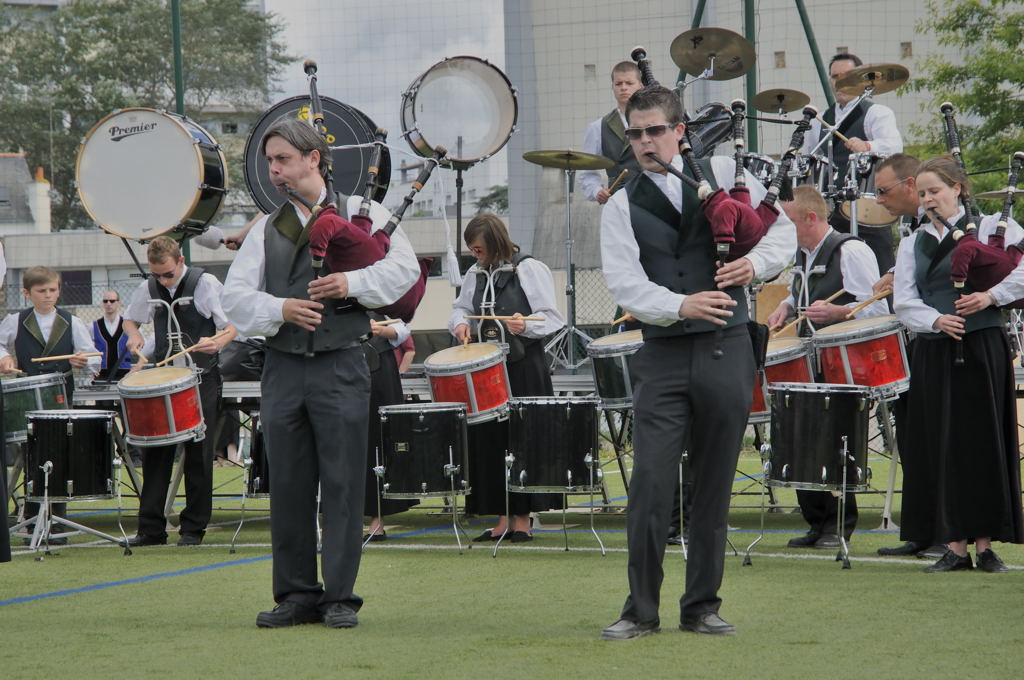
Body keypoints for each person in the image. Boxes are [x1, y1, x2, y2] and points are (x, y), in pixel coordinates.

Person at [599, 85, 795, 639]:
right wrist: (678, 304)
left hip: (727, 349)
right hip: (661, 355)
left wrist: (753, 266)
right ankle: (640, 610)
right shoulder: (619, 202)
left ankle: (701, 606)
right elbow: (624, 282)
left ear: (679, 131)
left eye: (655, 130)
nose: (645, 141)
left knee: (713, 485)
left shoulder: (730, 172)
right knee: (650, 486)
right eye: (635, 133)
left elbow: (781, 232)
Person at [221, 117, 419, 629]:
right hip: (282, 367)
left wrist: (349, 281)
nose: (274, 170)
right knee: (286, 483)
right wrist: (281, 310)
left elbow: (405, 273)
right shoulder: (267, 227)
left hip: (343, 365)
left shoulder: (365, 212)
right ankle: (295, 595)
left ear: (314, 158)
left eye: (283, 158)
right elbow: (235, 298)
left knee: (343, 483)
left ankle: (339, 598)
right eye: (270, 161)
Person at [893, 154, 1024, 572]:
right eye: (924, 193)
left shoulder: (992, 229)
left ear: (958, 190)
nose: (929, 199)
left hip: (983, 343)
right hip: (936, 347)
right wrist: (935, 319)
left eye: (936, 191)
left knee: (983, 440)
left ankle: (985, 545)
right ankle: (954, 546)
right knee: (943, 442)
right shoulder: (912, 242)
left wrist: (989, 297)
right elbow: (904, 300)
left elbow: (1021, 273)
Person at [766, 185, 886, 549]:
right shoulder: (802, 254)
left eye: (787, 222)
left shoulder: (850, 250)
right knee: (800, 437)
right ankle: (817, 521)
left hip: (839, 364)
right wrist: (787, 306)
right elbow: (800, 290)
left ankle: (838, 525)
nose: (782, 231)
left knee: (834, 441)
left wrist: (839, 312)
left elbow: (877, 307)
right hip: (806, 358)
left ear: (810, 218)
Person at [450, 213, 566, 541]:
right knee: (492, 441)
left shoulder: (528, 267)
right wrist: (460, 324)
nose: (475, 256)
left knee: (523, 439)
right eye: (473, 250)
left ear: (496, 244)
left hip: (523, 365)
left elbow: (553, 318)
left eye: (479, 250)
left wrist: (524, 324)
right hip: (487, 371)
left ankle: (523, 521)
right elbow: (461, 308)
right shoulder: (475, 272)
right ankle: (501, 518)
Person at [122, 237, 237, 548]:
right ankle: (151, 529)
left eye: (168, 274)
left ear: (180, 262)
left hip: (200, 376)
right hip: (162, 377)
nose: (162, 280)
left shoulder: (205, 283)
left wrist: (218, 342)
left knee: (199, 454)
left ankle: (193, 528)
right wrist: (133, 336)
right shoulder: (150, 287)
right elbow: (130, 319)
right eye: (157, 274)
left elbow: (231, 325)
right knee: (155, 451)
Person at [867, 154, 946, 560]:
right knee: (913, 436)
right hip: (913, 341)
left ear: (910, 185)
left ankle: (943, 532)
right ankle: (919, 529)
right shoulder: (909, 227)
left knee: (935, 437)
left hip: (941, 338)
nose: (878, 200)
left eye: (884, 191)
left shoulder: (941, 221)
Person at [0, 266, 101, 542]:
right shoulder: (15, 321)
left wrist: (84, 360)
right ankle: (32, 521)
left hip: (59, 395)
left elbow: (94, 356)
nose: (48, 296)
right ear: (27, 293)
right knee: (32, 457)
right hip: (27, 397)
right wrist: (5, 360)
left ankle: (57, 523)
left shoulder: (71, 321)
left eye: (52, 290)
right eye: (41, 291)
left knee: (58, 456)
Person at [802, 52, 903, 275]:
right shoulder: (819, 119)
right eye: (835, 76)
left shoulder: (875, 113)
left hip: (867, 206)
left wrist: (868, 147)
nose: (840, 81)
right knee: (832, 270)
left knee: (880, 267)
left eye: (847, 75)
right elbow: (809, 158)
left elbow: (895, 146)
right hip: (828, 209)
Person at [363, 314, 417, 541]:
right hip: (335, 361)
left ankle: (377, 519)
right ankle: (341, 520)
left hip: (378, 368)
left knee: (379, 439)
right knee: (337, 442)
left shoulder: (378, 287)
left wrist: (384, 331)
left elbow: (402, 329)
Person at [580, 61, 644, 205]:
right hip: (619, 202)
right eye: (618, 84)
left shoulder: (653, 121)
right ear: (612, 87)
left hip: (653, 197)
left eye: (629, 83)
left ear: (640, 86)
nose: (623, 88)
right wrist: (597, 191)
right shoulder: (597, 128)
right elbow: (586, 172)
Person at [92, 290, 132, 380]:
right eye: (105, 301)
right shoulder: (93, 326)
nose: (108, 304)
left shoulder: (129, 325)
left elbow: (140, 346)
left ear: (118, 303)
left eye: (112, 301)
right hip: (101, 374)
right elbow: (88, 350)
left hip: (125, 373)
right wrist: (92, 367)